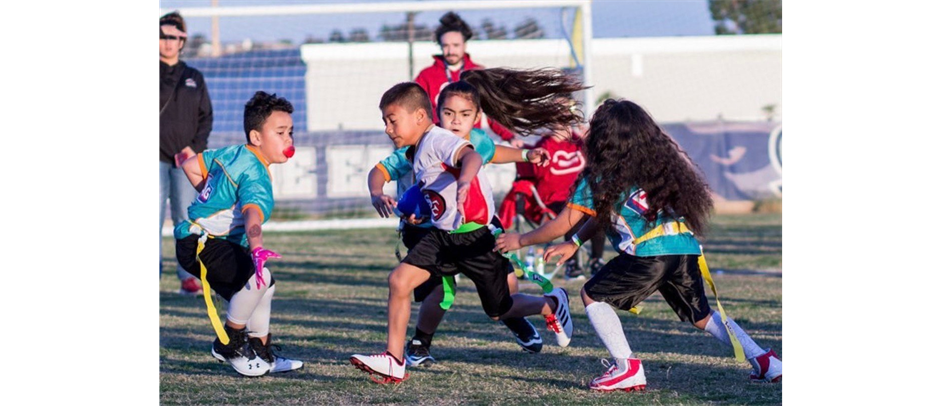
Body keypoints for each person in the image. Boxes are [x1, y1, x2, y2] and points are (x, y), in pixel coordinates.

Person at [496, 99, 783, 392]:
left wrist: (520, 239)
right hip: (682, 248)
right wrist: (576, 241)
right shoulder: (655, 168)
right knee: (703, 317)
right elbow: (604, 213)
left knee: (592, 294)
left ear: (602, 138)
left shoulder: (598, 176)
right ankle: (765, 361)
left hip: (649, 254)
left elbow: (560, 223)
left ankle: (626, 368)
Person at [350, 75, 584, 384]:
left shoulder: (439, 140)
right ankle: (395, 360)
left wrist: (464, 180)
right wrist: (386, 197)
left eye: (392, 121)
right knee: (399, 280)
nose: (387, 129)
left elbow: (472, 155)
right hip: (443, 237)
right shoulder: (417, 148)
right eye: (385, 122)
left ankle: (551, 303)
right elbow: (392, 176)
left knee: (499, 309)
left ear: (420, 116)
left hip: (476, 239)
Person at [175, 91, 302, 377]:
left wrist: (213, 199)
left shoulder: (234, 152)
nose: (289, 140)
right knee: (259, 277)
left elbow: (190, 165)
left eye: (291, 132)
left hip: (193, 239)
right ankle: (228, 344)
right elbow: (251, 214)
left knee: (264, 285)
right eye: (280, 132)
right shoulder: (256, 174)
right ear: (257, 137)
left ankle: (261, 350)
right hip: (203, 244)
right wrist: (256, 246)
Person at [159, 11, 213, 294]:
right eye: (162, 36)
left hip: (185, 161)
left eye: (174, 37)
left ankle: (188, 277)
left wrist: (193, 149)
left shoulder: (194, 77)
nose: (167, 42)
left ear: (182, 40)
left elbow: (206, 118)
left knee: (186, 220)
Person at [415, 12, 520, 146]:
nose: (450, 50)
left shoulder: (478, 72)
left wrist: (510, 136)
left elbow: (492, 110)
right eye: (446, 45)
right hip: (438, 144)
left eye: (456, 45)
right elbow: (418, 111)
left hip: (471, 143)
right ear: (440, 46)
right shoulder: (426, 76)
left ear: (464, 45)